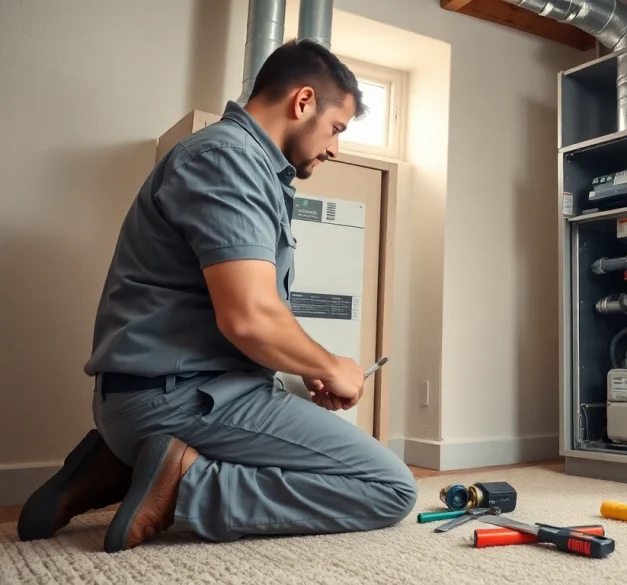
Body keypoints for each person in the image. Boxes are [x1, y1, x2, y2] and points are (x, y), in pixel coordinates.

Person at [17, 39, 417, 553]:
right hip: (171, 398)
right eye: (336, 128)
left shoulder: (240, 163)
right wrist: (330, 364)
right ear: (302, 102)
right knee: (389, 488)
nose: (335, 148)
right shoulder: (228, 158)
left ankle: (117, 463)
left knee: (296, 395)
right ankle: (182, 484)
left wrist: (307, 368)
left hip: (155, 391)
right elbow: (249, 318)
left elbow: (248, 315)